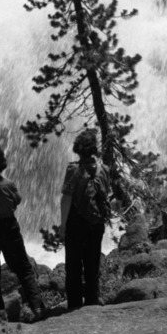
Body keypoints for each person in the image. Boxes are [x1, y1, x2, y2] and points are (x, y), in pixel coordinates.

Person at [0, 145, 42, 322]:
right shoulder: (8, 184)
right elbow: (17, 200)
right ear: (2, 163)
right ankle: (37, 307)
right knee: (24, 269)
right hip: (8, 227)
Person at [58, 128, 111, 311]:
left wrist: (63, 225)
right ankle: (92, 302)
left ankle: (74, 306)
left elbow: (66, 199)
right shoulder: (104, 168)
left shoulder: (74, 169)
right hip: (96, 225)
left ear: (78, 149)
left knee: (73, 267)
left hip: (76, 223)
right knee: (92, 264)